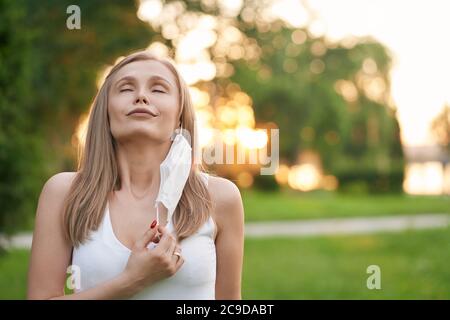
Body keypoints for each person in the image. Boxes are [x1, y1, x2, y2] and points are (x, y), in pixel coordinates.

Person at [27, 50, 244, 299]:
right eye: (126, 88)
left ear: (179, 116)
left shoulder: (220, 197)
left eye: (158, 89)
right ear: (105, 112)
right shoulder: (64, 192)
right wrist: (132, 281)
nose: (141, 96)